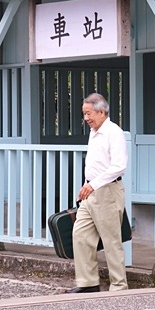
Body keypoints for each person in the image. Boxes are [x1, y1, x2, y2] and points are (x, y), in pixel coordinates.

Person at [66, 93, 129, 293]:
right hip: (90, 191)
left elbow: (119, 166)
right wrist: (87, 186)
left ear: (102, 112)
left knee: (111, 241)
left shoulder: (114, 132)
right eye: (84, 114)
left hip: (107, 191)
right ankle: (88, 283)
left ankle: (119, 286)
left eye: (89, 113)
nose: (86, 118)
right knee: (81, 234)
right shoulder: (94, 132)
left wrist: (93, 185)